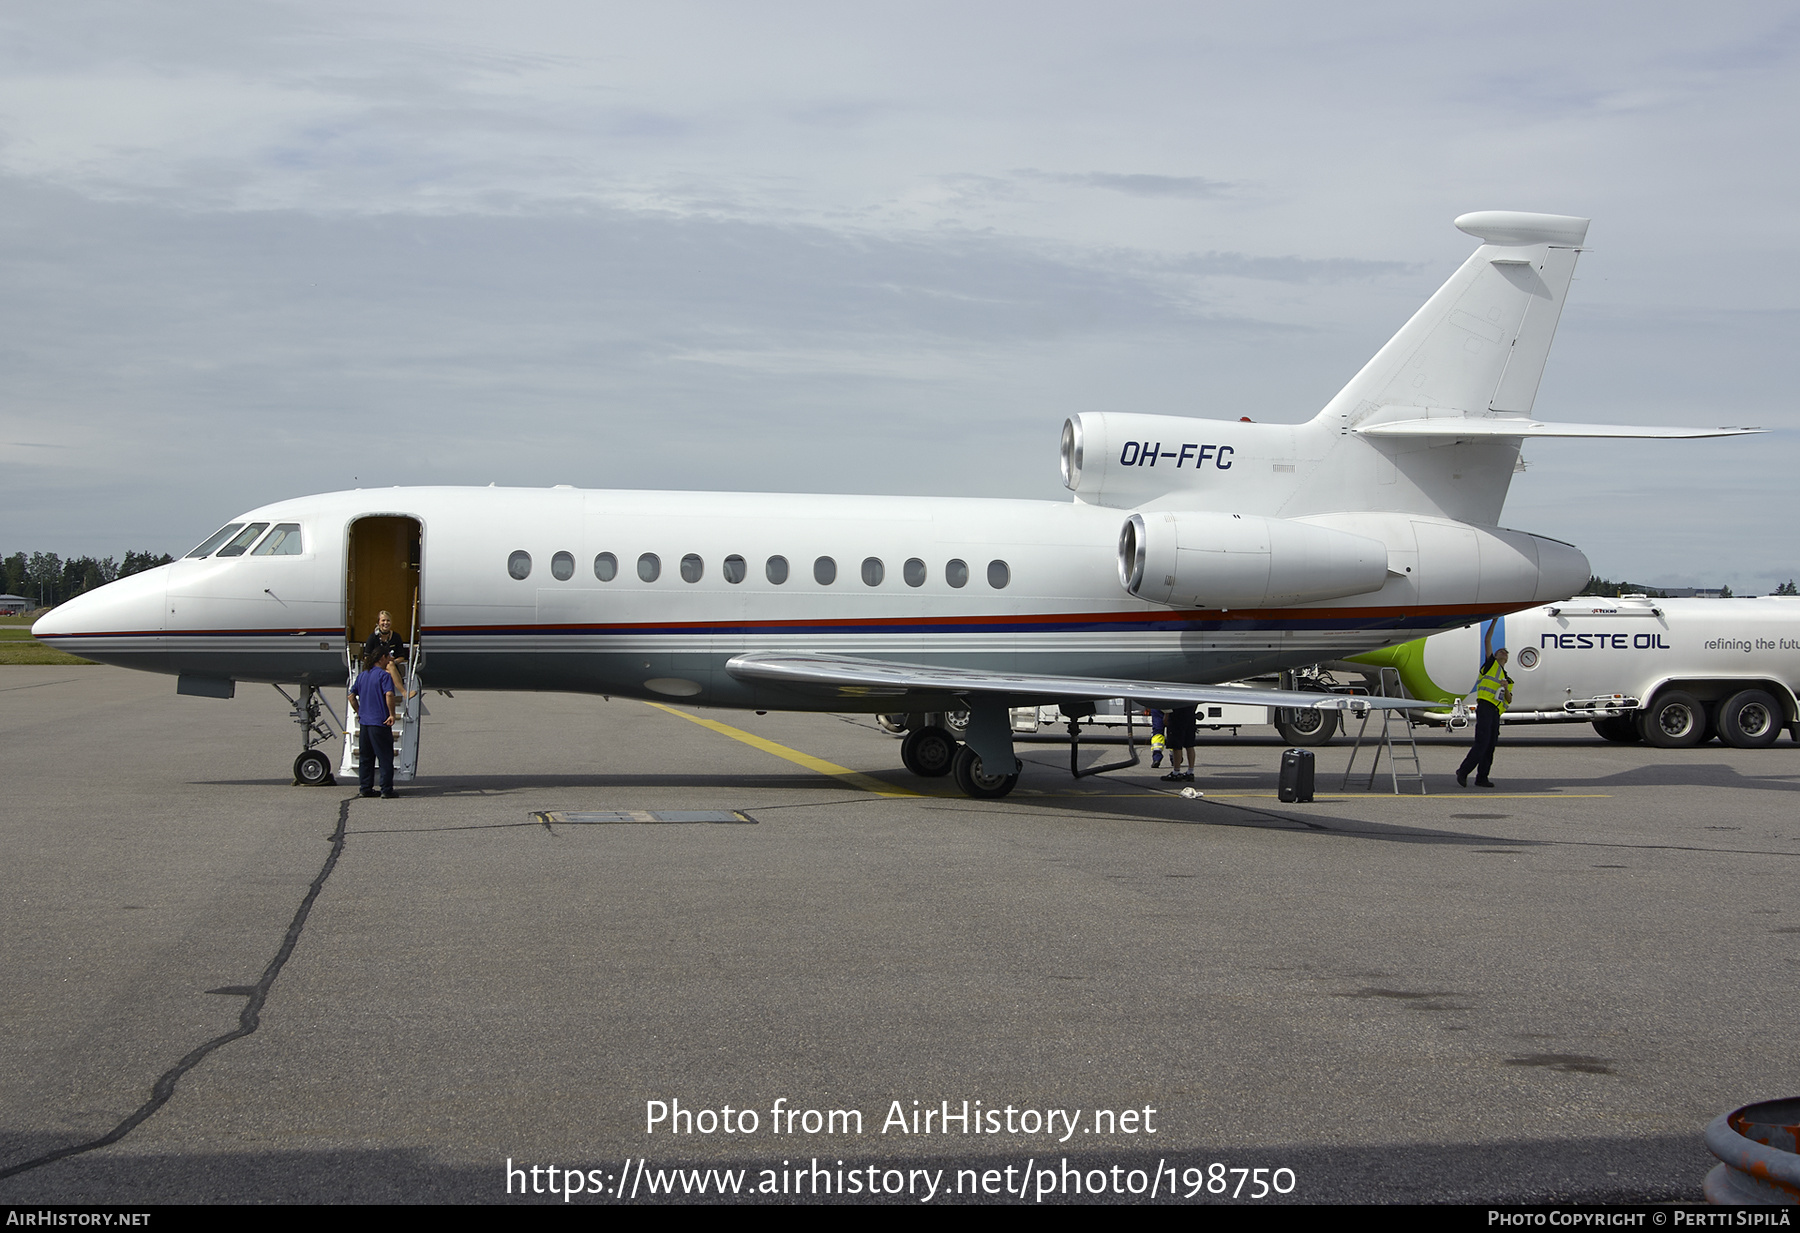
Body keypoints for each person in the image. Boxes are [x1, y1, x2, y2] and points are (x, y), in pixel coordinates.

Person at [1456, 646, 1513, 788]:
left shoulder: (1507, 679)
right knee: (1482, 742)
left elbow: (1509, 699)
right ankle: (1463, 771)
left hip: (1495, 713)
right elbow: (1487, 641)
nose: (1503, 653)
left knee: (1490, 745)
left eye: (1506, 653)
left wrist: (1506, 688)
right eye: (1500, 651)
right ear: (1495, 655)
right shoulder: (1491, 665)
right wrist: (1493, 622)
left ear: (1507, 659)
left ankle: (1482, 777)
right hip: (1485, 708)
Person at [350, 647, 399, 798]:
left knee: (366, 757)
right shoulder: (384, 676)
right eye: (388, 657)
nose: (390, 660)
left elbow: (351, 697)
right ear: (382, 658)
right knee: (384, 756)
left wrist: (360, 712)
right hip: (379, 722)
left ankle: (365, 787)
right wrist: (392, 714)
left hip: (365, 723)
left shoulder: (362, 676)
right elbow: (389, 694)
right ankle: (386, 789)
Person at [1162, 704, 1198, 782]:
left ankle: (1176, 772)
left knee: (1176, 745)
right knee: (1190, 745)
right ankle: (1190, 771)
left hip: (1177, 713)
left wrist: (1166, 714)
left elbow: (1171, 701)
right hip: (1190, 713)